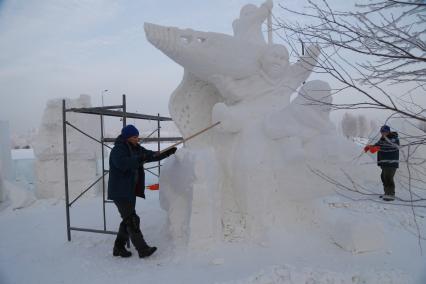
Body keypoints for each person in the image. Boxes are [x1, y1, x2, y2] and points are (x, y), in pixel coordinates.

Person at [107, 124, 177, 258]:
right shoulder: (118, 150)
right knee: (132, 219)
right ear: (128, 137)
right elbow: (123, 164)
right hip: (119, 191)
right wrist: (140, 158)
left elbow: (151, 155)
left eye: (137, 137)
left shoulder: (136, 148)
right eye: (135, 137)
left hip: (130, 191)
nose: (137, 139)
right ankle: (142, 249)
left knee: (127, 219)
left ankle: (118, 247)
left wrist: (166, 153)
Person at [364, 125, 400, 201]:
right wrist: (370, 146)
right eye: (381, 132)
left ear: (388, 131)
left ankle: (390, 195)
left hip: (391, 162)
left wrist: (378, 148)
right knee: (383, 177)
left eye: (384, 131)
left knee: (388, 178)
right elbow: (377, 145)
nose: (382, 133)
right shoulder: (382, 139)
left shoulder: (394, 138)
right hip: (384, 163)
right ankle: (387, 193)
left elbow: (391, 147)